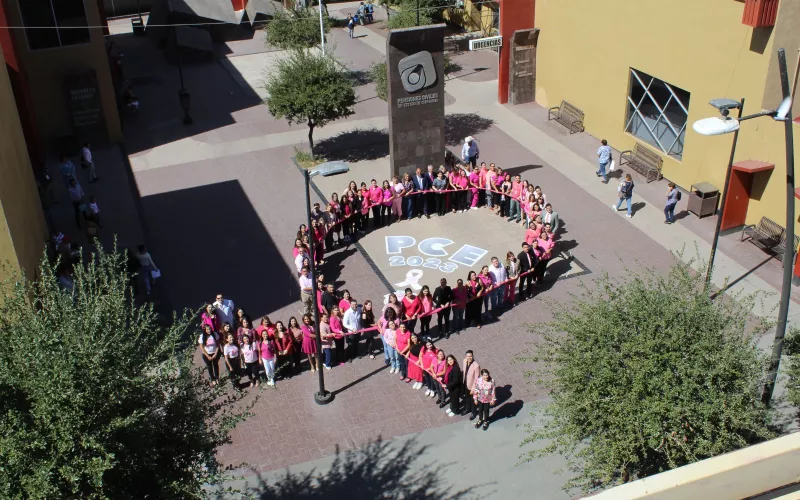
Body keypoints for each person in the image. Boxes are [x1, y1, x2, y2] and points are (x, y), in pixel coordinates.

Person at [462, 350, 481, 420]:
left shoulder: (476, 366)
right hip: (465, 383)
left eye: (470, 356)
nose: (469, 358)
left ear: (473, 356)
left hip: (472, 386)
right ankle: (468, 408)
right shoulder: (464, 361)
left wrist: (473, 389)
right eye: (467, 356)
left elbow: (477, 379)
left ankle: (474, 412)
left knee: (473, 400)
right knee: (467, 398)